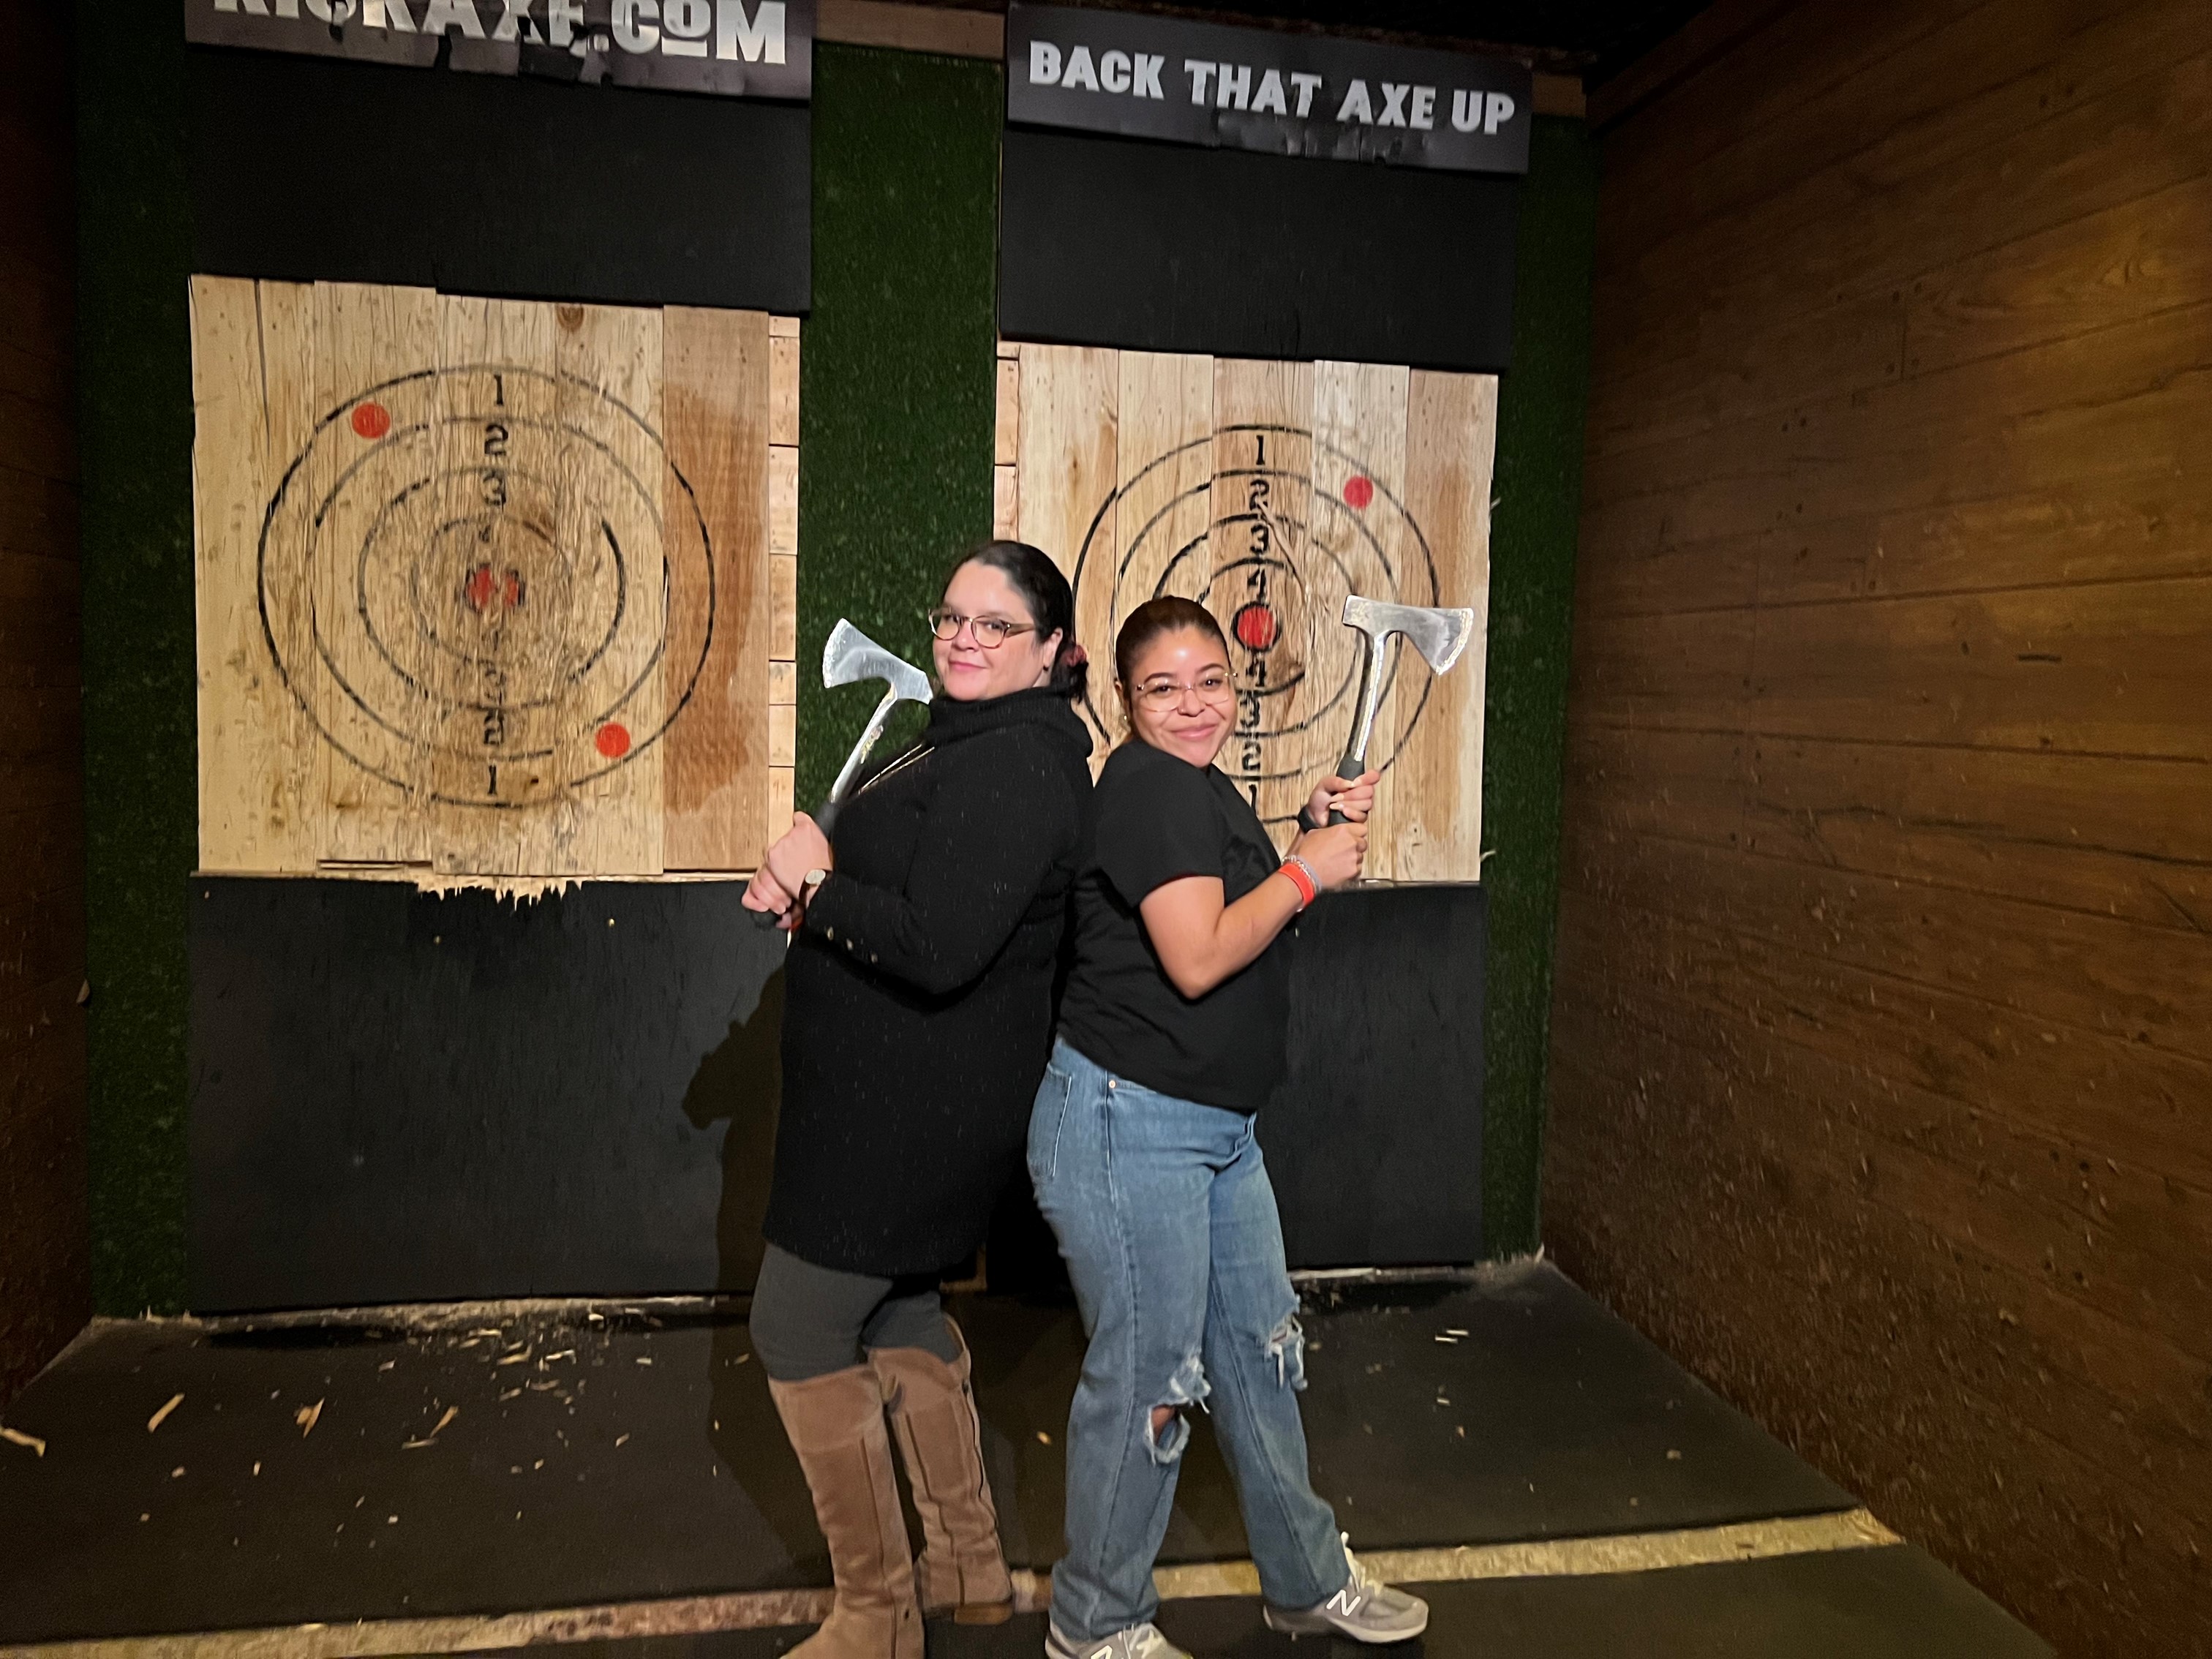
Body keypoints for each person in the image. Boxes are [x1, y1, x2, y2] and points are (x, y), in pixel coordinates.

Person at [1028, 596, 1426, 1659]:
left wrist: (1300, 836)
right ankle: (1095, 1624)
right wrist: (1308, 873)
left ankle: (1304, 1578)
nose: (1193, 703)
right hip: (1129, 1128)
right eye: (1164, 687)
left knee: (1257, 1354)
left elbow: (1231, 908)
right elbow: (1200, 954)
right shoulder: (1151, 785)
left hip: (1212, 1128)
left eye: (1211, 679)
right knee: (1152, 1380)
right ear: (1126, 698)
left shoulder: (1196, 789)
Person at [742, 542, 1094, 1659]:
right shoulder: (972, 742)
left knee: (794, 1325)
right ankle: (968, 1570)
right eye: (952, 617)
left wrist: (821, 884)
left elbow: (942, 948)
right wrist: (821, 896)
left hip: (908, 1114)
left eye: (997, 626)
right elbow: (917, 904)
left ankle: (879, 1615)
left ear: (1053, 653)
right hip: (898, 1097)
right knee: (893, 1315)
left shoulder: (1018, 767)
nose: (963, 640)